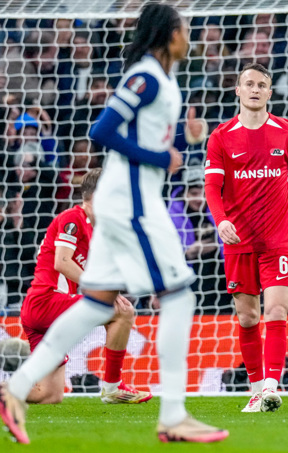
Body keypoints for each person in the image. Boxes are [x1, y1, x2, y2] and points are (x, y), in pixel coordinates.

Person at [0, 4, 228, 444]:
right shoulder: (145, 77)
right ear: (169, 34)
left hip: (127, 199)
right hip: (132, 202)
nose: (190, 35)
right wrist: (160, 156)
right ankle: (173, 416)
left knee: (97, 304)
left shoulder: (165, 79)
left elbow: (151, 143)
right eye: (185, 28)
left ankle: (16, 389)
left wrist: (185, 141)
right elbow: (102, 131)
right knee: (179, 295)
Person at [205, 62, 288, 413]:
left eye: (261, 85)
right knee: (248, 317)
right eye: (248, 84)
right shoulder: (221, 136)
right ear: (238, 90)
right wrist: (221, 221)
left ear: (269, 92)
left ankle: (270, 386)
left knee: (277, 311)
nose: (254, 89)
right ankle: (255, 390)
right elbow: (212, 187)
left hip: (278, 238)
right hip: (239, 240)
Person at [19, 169, 151, 405]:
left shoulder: (96, 230)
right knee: (123, 312)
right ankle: (112, 388)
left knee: (48, 395)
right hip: (46, 302)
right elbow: (62, 261)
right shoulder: (73, 218)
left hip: (44, 311)